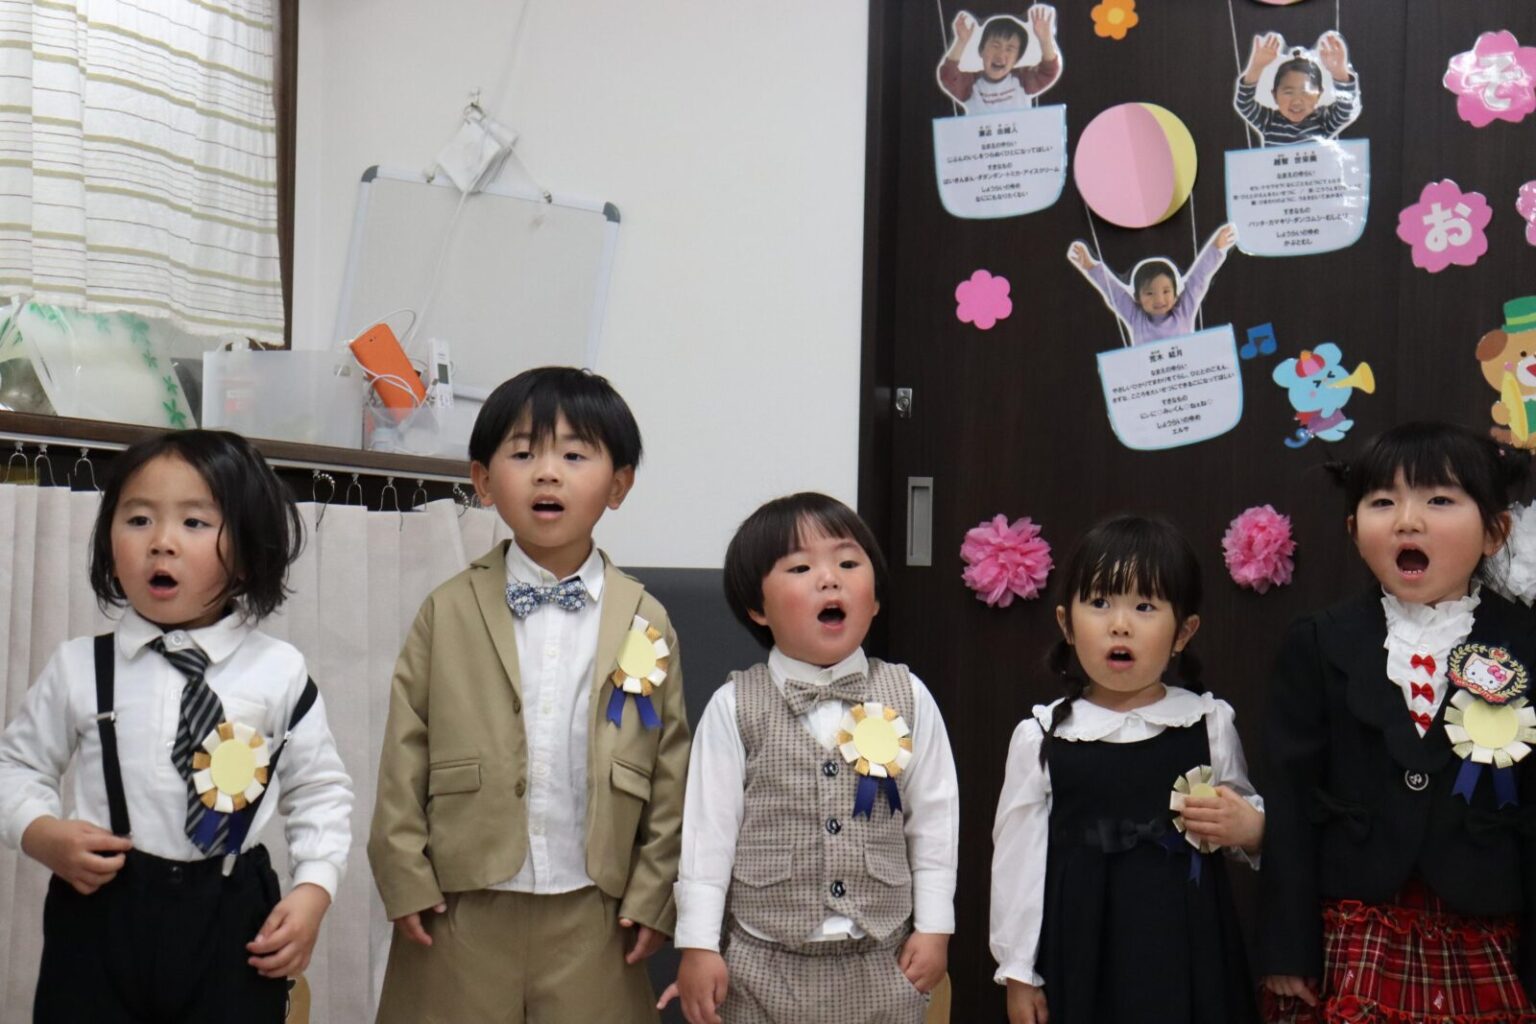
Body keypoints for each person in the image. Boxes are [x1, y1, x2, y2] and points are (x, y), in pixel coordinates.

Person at [369, 366, 690, 1024]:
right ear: (483, 481)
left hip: (595, 906)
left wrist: (655, 891)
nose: (547, 474)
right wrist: (404, 873)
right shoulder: (447, 609)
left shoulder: (645, 618)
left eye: (574, 455)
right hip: (461, 902)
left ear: (619, 485)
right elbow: (405, 749)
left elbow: (670, 769)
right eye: (522, 454)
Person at [0, 429, 353, 1023]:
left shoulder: (279, 672)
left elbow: (319, 791)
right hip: (99, 918)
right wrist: (40, 832)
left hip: (231, 914)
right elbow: (16, 766)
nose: (161, 542)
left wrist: (315, 888)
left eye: (194, 522)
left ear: (250, 548)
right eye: (138, 519)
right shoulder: (79, 667)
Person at [1260, 422, 1536, 1022]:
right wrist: (1286, 945)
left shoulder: (1524, 644)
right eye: (1383, 502)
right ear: (1354, 530)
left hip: (1488, 926)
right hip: (1355, 928)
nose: (1407, 521)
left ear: (1495, 532)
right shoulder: (1319, 643)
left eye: (1439, 500)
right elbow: (1289, 801)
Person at [662, 492, 958, 1024]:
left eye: (848, 563)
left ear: (874, 597)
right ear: (758, 608)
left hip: (882, 958)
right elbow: (708, 834)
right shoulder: (734, 706)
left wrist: (935, 925)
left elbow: (935, 820)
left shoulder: (909, 696)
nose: (829, 579)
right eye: (800, 568)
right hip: (762, 963)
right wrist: (699, 944)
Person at [991, 515, 1263, 1024]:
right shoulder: (1042, 735)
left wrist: (1250, 829)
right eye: (1099, 603)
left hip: (1189, 941)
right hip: (1083, 943)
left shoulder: (1208, 722)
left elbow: (1240, 818)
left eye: (1145, 606)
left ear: (1183, 632)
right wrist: (1019, 971)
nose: (1120, 624)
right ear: (1066, 624)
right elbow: (1017, 861)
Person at [1068, 225, 1237, 346]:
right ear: (1137, 298)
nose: (1159, 299)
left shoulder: (1183, 311)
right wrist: (1091, 267)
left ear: (1176, 294)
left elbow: (1198, 278)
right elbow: (1115, 293)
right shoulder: (1136, 317)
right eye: (1149, 293)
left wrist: (1215, 248)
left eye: (1166, 291)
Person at [1235, 32, 1359, 146]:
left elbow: (1346, 110)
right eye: (1288, 92)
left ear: (1319, 94)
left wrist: (1339, 73)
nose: (1297, 101)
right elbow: (1244, 104)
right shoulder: (1269, 120)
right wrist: (1256, 67)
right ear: (1274, 95)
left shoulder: (1323, 120)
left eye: (1305, 92)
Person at [937, 5, 1060, 114]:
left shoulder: (1023, 79)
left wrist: (1045, 40)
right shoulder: (970, 83)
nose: (1001, 55)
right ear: (981, 50)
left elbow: (1048, 72)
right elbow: (948, 76)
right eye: (995, 45)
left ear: (1017, 59)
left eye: (1010, 49)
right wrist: (961, 41)